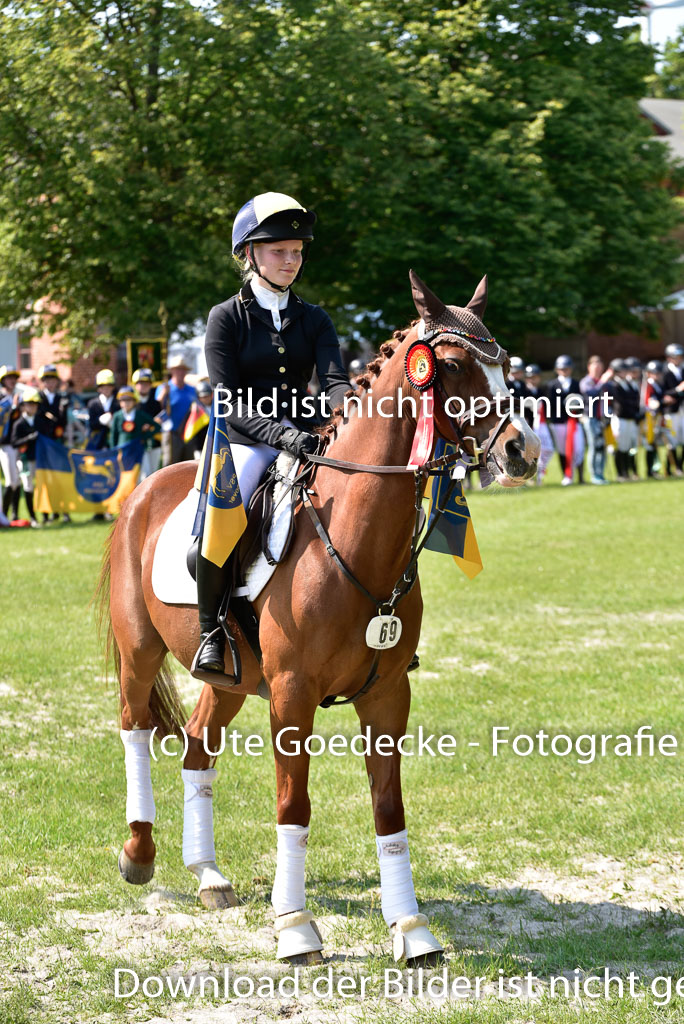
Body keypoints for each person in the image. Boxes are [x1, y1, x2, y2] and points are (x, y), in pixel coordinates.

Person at [196, 191, 350, 674]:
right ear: (249, 253)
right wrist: (282, 438)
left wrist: (351, 411)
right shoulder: (226, 317)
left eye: (297, 252)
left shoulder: (315, 318)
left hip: (307, 431)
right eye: (279, 251)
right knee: (223, 520)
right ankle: (211, 630)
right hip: (244, 440)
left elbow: (335, 382)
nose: (291, 261)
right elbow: (227, 400)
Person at [10, 388, 48, 527]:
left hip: (39, 459)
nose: (32, 407)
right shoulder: (19, 423)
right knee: (28, 486)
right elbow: (14, 442)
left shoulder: (40, 421)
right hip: (25, 460)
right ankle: (32, 517)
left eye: (34, 404)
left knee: (42, 487)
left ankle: (45, 515)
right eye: (29, 404)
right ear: (23, 406)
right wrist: (28, 438)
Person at [545, 355, 585, 485]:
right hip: (559, 421)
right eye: (562, 369)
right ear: (557, 370)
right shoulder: (552, 385)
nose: (564, 371)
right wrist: (565, 404)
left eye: (567, 368)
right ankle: (566, 475)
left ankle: (581, 477)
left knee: (578, 448)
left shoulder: (576, 384)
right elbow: (550, 404)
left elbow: (581, 402)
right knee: (563, 450)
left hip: (574, 421)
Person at [155, 356, 197, 467]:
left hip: (188, 433)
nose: (180, 372)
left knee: (189, 465)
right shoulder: (164, 388)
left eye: (183, 369)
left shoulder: (191, 390)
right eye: (178, 369)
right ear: (172, 371)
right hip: (171, 433)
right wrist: (163, 394)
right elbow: (157, 407)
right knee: (170, 466)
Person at [579, 355, 608, 484]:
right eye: (595, 366)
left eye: (599, 366)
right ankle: (594, 475)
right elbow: (591, 395)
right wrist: (602, 382)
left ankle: (601, 474)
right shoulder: (586, 382)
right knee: (594, 446)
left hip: (602, 419)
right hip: (590, 418)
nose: (597, 369)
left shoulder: (603, 382)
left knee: (602, 447)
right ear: (589, 367)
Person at [0, 366, 22, 522]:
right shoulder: (2, 398)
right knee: (11, 480)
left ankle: (14, 514)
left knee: (17, 480)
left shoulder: (18, 397)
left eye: (14, 378)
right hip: (4, 444)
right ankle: (4, 514)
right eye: (9, 378)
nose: (12, 381)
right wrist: (12, 406)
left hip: (18, 443)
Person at [132, 368, 163, 479]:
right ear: (135, 385)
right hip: (138, 443)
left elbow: (161, 420)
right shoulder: (132, 403)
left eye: (146, 383)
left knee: (155, 473)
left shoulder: (156, 403)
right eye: (140, 383)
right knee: (143, 475)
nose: (143, 386)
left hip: (155, 442)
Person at [663, 342, 684, 475]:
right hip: (671, 411)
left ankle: (680, 466)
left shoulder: (682, 370)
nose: (679, 359)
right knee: (672, 440)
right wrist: (678, 390)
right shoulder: (665, 372)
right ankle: (672, 468)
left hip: (682, 410)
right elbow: (664, 393)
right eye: (676, 357)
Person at [87, 369, 120, 450]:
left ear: (113, 387)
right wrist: (100, 421)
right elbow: (91, 424)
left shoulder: (118, 403)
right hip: (98, 444)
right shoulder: (93, 404)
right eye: (103, 387)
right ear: (98, 388)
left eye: (109, 386)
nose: (106, 389)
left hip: (115, 443)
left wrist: (113, 422)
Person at [181, 380, 213, 461]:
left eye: (207, 396)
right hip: (199, 446)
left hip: (215, 445)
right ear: (199, 397)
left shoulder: (217, 407)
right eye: (203, 397)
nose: (205, 398)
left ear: (211, 395)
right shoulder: (194, 410)